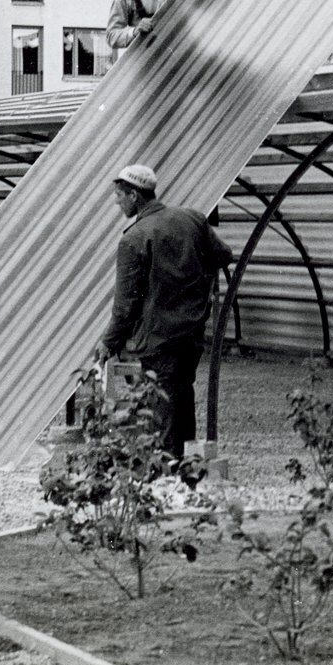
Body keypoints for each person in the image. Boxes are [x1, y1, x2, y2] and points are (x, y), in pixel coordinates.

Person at [93, 163, 233, 456]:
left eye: (119, 195)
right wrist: (194, 282)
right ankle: (186, 466)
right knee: (183, 394)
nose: (116, 202)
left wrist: (109, 342)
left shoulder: (134, 239)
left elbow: (126, 304)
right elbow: (224, 255)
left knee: (162, 404)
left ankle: (168, 472)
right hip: (191, 331)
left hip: (158, 337)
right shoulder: (192, 219)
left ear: (133, 195)